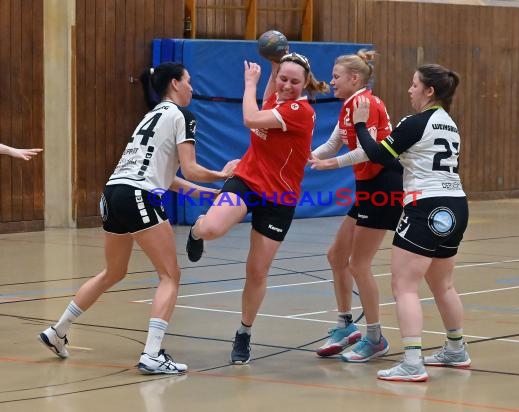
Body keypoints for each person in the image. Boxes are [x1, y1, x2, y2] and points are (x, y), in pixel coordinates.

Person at [38, 62, 238, 374]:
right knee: (170, 276)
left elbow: (166, 175)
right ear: (174, 83)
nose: (192, 88)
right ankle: (152, 354)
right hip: (139, 196)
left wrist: (203, 192)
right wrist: (221, 174)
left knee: (112, 272)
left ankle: (57, 331)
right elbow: (191, 167)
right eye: (188, 81)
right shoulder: (182, 116)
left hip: (113, 194)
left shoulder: (151, 116)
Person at [186, 53, 330, 364]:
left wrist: (248, 82)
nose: (287, 86)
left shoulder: (298, 111)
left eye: (294, 82)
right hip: (247, 180)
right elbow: (265, 100)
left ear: (305, 84)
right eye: (282, 79)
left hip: (279, 199)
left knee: (256, 271)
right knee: (211, 228)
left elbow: (250, 119)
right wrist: (274, 67)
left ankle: (244, 333)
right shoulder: (274, 100)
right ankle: (198, 229)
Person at [353, 63, 470, 381]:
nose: (409, 89)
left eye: (414, 84)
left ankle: (412, 362)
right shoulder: (449, 123)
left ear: (429, 91)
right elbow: (397, 156)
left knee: (403, 285)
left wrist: (361, 126)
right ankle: (456, 349)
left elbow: (377, 155)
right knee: (442, 284)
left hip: (426, 206)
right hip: (456, 205)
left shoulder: (416, 122)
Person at [308, 50, 403, 363]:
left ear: (354, 78)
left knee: (358, 264)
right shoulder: (349, 106)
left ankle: (375, 338)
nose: (331, 81)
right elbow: (333, 143)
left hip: (384, 184)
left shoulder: (367, 104)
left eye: (336, 76)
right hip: (367, 187)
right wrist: (305, 159)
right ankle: (346, 326)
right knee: (336, 255)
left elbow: (367, 153)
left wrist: (331, 164)